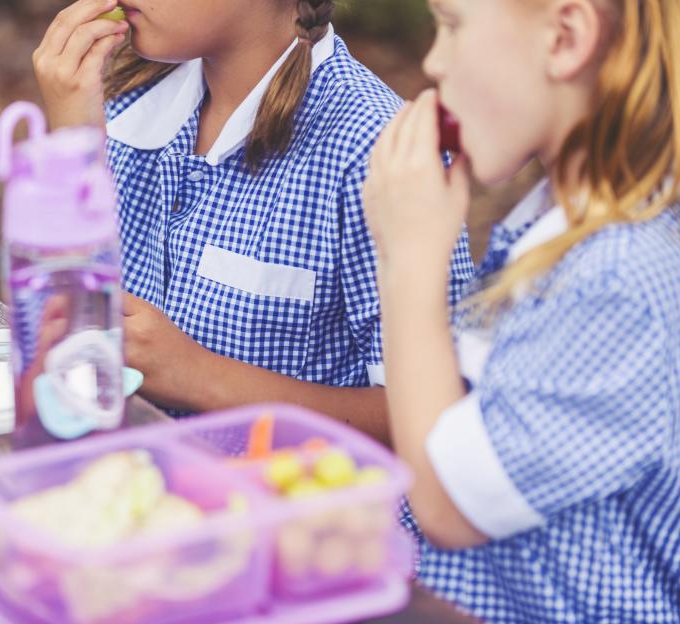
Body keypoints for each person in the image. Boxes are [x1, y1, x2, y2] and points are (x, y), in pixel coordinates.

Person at [362, 0, 680, 620]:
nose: (432, 61)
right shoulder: (559, 232)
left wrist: (411, 260)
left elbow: (448, 506)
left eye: (452, 26)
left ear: (564, 38)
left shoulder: (616, 282)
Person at [33, 0, 475, 436]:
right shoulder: (117, 98)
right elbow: (60, 322)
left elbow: (441, 417)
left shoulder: (374, 151)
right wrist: (73, 147)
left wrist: (198, 375)